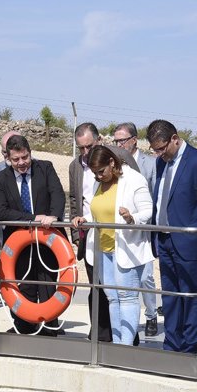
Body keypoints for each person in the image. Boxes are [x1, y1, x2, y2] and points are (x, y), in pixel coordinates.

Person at [147, 119, 197, 354]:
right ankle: (172, 345)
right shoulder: (162, 163)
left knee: (192, 297)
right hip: (165, 240)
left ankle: (191, 349)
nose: (159, 154)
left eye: (162, 148)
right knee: (171, 297)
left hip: (191, 243)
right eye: (155, 150)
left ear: (175, 139)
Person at [72, 146, 154, 345]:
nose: (99, 176)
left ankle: (126, 346)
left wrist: (131, 217)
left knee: (127, 297)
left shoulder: (134, 179)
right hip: (103, 249)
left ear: (112, 162)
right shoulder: (98, 182)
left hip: (126, 249)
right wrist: (84, 218)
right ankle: (117, 344)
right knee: (112, 298)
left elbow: (148, 210)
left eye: (101, 171)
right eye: (95, 173)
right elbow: (99, 210)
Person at [0, 135, 66, 335]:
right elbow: (2, 211)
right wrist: (34, 217)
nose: (21, 163)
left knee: (47, 282)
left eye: (25, 157)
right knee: (23, 282)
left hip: (48, 238)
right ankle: (24, 325)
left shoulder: (46, 168)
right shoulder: (0, 179)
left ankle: (49, 325)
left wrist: (53, 216)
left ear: (30, 153)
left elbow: (58, 195)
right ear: (8, 158)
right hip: (18, 240)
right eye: (16, 160)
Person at [114, 122, 159, 337]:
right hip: (121, 229)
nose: (119, 144)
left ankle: (151, 315)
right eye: (116, 141)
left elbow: (154, 196)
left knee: (146, 277)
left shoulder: (149, 164)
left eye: (122, 140)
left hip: (144, 228)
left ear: (134, 139)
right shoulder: (115, 163)